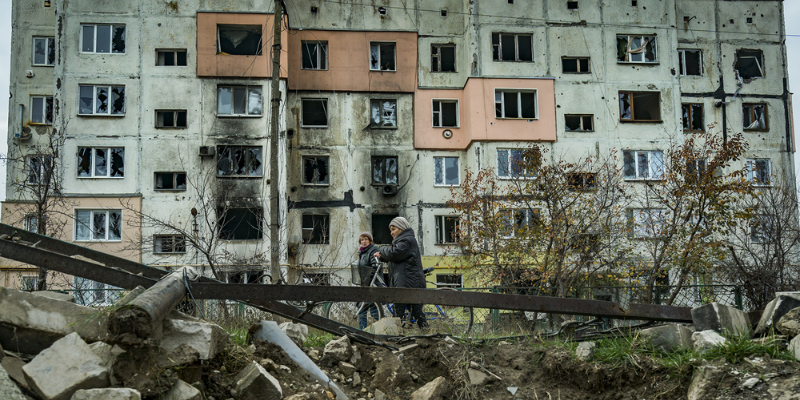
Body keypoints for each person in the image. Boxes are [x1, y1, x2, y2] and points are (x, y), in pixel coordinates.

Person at [373, 217, 428, 329]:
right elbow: (398, 258)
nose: (391, 232)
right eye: (391, 230)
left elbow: (396, 254)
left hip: (407, 284)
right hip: (407, 284)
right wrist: (383, 257)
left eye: (394, 229)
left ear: (402, 228)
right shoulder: (404, 241)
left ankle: (395, 337)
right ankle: (427, 332)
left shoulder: (406, 240)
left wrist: (382, 250)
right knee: (416, 312)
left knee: (397, 314)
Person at [356, 232, 381, 330]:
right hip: (365, 284)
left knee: (370, 308)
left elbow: (374, 267)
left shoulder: (373, 249)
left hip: (372, 284)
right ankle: (364, 332)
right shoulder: (362, 252)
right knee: (364, 308)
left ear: (370, 241)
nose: (364, 241)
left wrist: (370, 281)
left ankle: (377, 330)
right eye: (362, 240)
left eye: (366, 239)